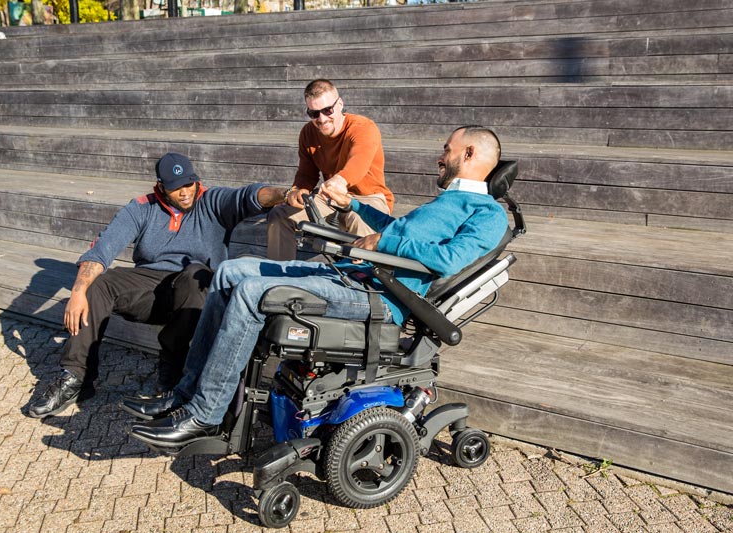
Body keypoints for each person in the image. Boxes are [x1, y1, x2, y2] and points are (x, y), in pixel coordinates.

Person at [121, 127, 510, 449]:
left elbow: (448, 259)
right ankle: (186, 392)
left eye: (447, 149)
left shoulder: (487, 213)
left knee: (252, 292)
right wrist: (351, 208)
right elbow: (393, 233)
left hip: (377, 298)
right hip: (349, 276)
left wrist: (382, 244)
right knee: (229, 272)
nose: (439, 157)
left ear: (470, 152)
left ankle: (206, 415)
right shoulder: (445, 202)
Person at [27, 152, 288, 419]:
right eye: (176, 188)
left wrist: (284, 194)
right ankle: (76, 377)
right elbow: (102, 250)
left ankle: (173, 372)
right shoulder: (141, 208)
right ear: (161, 187)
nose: (185, 193)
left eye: (189, 184)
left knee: (196, 275)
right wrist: (78, 291)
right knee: (99, 285)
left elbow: (251, 196)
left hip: (196, 292)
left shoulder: (212, 201)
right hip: (151, 288)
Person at [267, 78, 395, 261]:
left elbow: (358, 161)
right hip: (329, 198)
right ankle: (277, 275)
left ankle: (360, 282)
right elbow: (306, 174)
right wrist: (297, 191)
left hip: (368, 197)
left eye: (328, 110)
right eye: (314, 113)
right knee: (279, 214)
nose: (322, 119)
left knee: (358, 219)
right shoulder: (308, 133)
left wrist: (340, 181)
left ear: (340, 104)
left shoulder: (363, 127)